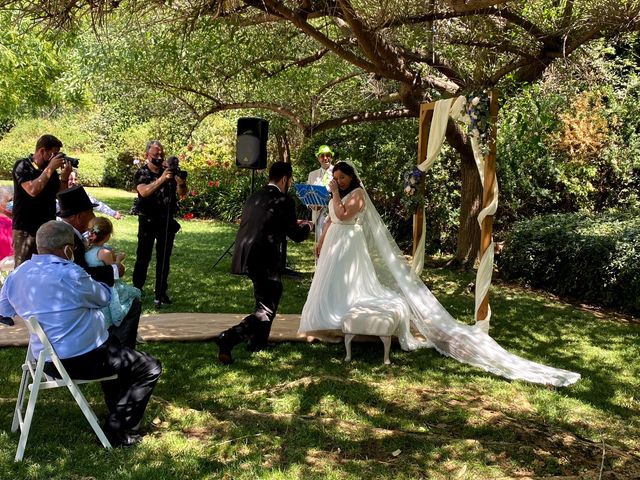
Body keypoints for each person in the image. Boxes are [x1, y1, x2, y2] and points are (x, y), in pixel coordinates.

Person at [299, 162, 581, 387]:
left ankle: (349, 318)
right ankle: (330, 319)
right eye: (335, 177)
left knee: (350, 283)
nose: (338, 180)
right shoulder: (337, 194)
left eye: (342, 177)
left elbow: (343, 214)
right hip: (334, 243)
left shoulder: (356, 195)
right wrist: (322, 243)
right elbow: (329, 219)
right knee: (329, 285)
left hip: (349, 245)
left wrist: (335, 193)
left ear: (351, 178)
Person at [0, 220, 161, 447]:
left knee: (117, 348)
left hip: (44, 360)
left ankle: (118, 409)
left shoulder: (19, 273)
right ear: (68, 249)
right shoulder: (71, 274)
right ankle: (118, 430)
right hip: (80, 359)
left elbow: (3, 310)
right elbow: (103, 298)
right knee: (150, 367)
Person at [213, 162, 313, 365]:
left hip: (245, 253)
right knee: (267, 307)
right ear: (285, 179)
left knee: (265, 298)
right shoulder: (283, 199)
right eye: (289, 180)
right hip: (264, 256)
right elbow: (295, 235)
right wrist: (308, 227)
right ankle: (229, 338)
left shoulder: (255, 196)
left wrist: (293, 223)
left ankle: (258, 342)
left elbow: (267, 221)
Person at [58, 185, 141, 349]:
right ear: (79, 216)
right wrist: (115, 268)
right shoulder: (69, 238)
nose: (94, 216)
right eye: (91, 212)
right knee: (132, 302)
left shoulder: (69, 232)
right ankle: (122, 353)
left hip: (73, 293)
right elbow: (81, 273)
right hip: (77, 298)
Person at [132, 141, 187, 307]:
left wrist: (180, 182)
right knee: (143, 257)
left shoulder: (168, 171)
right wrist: (162, 179)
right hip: (147, 220)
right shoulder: (142, 172)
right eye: (155, 154)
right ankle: (137, 291)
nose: (159, 157)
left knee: (164, 259)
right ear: (147, 154)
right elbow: (143, 191)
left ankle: (161, 292)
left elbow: (182, 194)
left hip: (166, 220)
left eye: (161, 154)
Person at [12, 134, 72, 267]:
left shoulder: (51, 172)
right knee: (24, 269)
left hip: (47, 229)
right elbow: (32, 190)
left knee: (47, 269)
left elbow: (61, 196)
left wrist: (64, 178)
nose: (56, 158)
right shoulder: (23, 165)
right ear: (42, 151)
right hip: (25, 230)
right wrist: (50, 168)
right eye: (54, 154)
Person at [85, 216, 141, 330]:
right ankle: (125, 331)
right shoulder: (104, 252)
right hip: (107, 285)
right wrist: (119, 260)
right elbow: (113, 272)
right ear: (107, 236)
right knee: (135, 294)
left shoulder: (86, 248)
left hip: (92, 284)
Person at [306, 144, 334, 243]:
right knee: (319, 246)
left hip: (333, 215)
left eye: (328, 155)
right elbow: (307, 194)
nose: (325, 158)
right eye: (322, 156)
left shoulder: (337, 172)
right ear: (318, 158)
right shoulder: (312, 175)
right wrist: (311, 205)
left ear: (331, 157)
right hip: (317, 214)